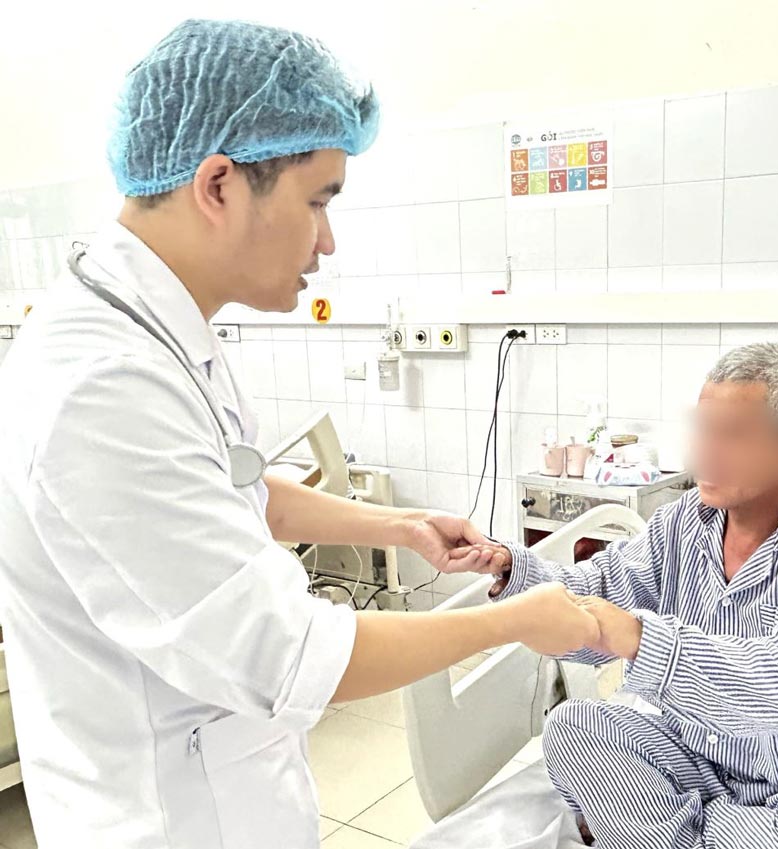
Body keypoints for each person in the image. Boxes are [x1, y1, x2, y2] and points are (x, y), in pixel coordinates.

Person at [0, 19, 596, 849]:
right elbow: (288, 653)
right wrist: (510, 624)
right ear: (218, 186)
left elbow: (228, 487)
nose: (328, 239)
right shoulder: (99, 383)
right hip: (166, 817)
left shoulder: (165, 328)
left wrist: (396, 526)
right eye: (317, 201)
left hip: (234, 788)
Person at [446, 344, 778, 849]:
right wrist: (509, 567)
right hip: (697, 758)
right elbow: (599, 590)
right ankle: (701, 831)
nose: (704, 453)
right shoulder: (683, 523)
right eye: (703, 428)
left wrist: (636, 636)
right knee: (574, 725)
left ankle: (666, 830)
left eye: (733, 435)